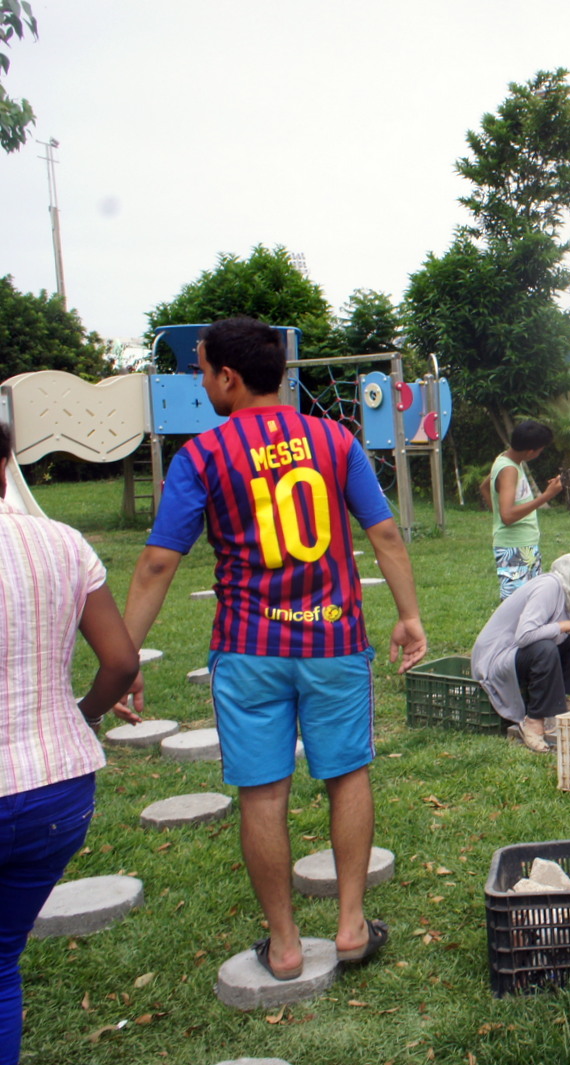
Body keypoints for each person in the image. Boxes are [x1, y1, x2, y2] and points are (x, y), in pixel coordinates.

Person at [118, 317, 429, 982]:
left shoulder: (201, 455)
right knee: (347, 774)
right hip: (334, 641)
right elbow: (385, 535)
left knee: (262, 795)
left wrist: (123, 658)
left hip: (249, 649)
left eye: (202, 371)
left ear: (228, 377)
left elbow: (154, 567)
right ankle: (350, 926)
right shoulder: (333, 439)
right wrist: (408, 614)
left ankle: (285, 945)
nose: (202, 383)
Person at [0, 421, 140, 1064]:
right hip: (57, 791)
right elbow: (120, 661)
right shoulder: (62, 542)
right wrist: (78, 715)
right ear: (7, 469)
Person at [472, 553, 570, 753]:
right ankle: (533, 721)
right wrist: (566, 625)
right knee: (546, 648)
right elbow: (524, 636)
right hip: (497, 658)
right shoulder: (548, 588)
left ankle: (558, 703)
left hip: (521, 651)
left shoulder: (569, 594)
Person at [487, 419, 564, 599]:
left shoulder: (506, 460)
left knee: (531, 601)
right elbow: (507, 515)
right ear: (531, 451)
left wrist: (497, 515)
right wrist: (546, 496)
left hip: (525, 544)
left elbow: (485, 487)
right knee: (516, 605)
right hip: (514, 548)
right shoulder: (509, 470)